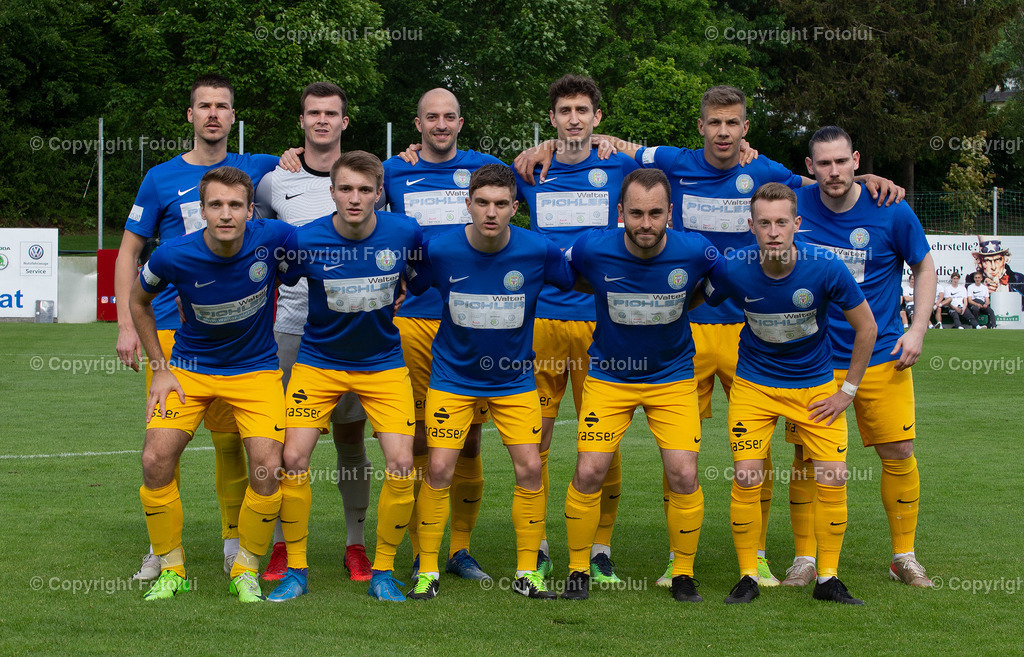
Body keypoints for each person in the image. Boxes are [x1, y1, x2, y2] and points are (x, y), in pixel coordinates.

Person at [517, 84, 902, 587]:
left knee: (751, 454)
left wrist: (862, 176)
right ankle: (656, 563)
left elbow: (817, 186)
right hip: (686, 334)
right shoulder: (671, 162)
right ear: (701, 127)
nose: (723, 132)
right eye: (714, 123)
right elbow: (616, 145)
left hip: (744, 332)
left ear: (746, 129)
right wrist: (550, 145)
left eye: (733, 123)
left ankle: (756, 555)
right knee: (673, 460)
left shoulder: (764, 174)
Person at [115, 74, 279, 581]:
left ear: (233, 117)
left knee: (234, 446)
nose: (212, 114)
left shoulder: (260, 168)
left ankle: (235, 543)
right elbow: (129, 251)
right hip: (168, 331)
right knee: (164, 443)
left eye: (222, 106)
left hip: (241, 344)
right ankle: (161, 551)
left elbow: (321, 172)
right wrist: (125, 321)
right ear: (190, 115)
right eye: (203, 106)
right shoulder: (161, 177)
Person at [404, 164, 575, 600]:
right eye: (482, 202)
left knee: (531, 468)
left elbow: (579, 280)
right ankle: (427, 570)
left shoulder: (538, 250)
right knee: (439, 468)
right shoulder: (440, 250)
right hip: (452, 376)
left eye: (501, 203)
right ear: (468, 204)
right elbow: (409, 284)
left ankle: (527, 572)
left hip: (514, 380)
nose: (491, 212)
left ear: (515, 208)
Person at [129, 166, 294, 602]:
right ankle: (171, 566)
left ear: (250, 210)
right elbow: (138, 299)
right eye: (216, 205)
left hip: (256, 371)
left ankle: (246, 567)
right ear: (201, 210)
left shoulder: (275, 237)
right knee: (154, 459)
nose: (226, 214)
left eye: (235, 205)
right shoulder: (170, 255)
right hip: (189, 369)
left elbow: (319, 256)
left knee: (266, 469)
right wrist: (160, 367)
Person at [706, 182, 876, 605]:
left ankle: (828, 578)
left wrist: (847, 392)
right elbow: (697, 298)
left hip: (814, 388)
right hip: (754, 387)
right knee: (747, 475)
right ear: (751, 226)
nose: (774, 231)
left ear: (797, 224)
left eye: (782, 222)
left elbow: (867, 328)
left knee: (833, 476)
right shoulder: (734, 267)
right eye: (764, 223)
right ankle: (748, 575)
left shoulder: (825, 266)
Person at [266, 151, 422, 602]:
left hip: (383, 364)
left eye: (364, 190)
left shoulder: (404, 232)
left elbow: (425, 275)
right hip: (317, 365)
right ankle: (296, 568)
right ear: (332, 192)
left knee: (402, 463)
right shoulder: (305, 239)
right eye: (346, 189)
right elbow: (270, 280)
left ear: (379, 194)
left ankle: (384, 571)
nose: (355, 198)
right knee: (292, 460)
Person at [785, 126, 937, 588]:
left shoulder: (891, 209)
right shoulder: (794, 204)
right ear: (810, 169)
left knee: (899, 452)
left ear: (856, 161)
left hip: (882, 356)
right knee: (807, 459)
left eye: (841, 162)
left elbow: (925, 265)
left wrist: (917, 329)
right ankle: (804, 559)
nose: (834, 171)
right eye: (823, 164)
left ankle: (904, 556)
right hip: (813, 361)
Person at [559, 169, 718, 603]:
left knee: (683, 474)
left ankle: (683, 573)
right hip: (610, 376)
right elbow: (568, 275)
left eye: (654, 213)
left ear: (671, 212)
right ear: (620, 213)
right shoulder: (593, 247)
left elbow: (711, 287)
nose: (645, 223)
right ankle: (577, 569)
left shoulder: (697, 251)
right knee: (589, 470)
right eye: (635, 213)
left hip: (672, 378)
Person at [512, 74, 640, 583]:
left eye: (582, 110)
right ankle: (538, 541)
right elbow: (479, 193)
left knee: (602, 443)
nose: (573, 119)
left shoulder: (621, 165)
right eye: (564, 110)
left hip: (601, 323)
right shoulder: (528, 169)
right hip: (541, 320)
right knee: (535, 438)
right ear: (552, 118)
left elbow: (687, 170)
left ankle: (601, 547)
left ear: (597, 118)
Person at [380, 89, 505, 581]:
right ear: (417, 123)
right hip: (413, 318)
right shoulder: (393, 171)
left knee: (469, 439)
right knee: (414, 442)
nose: (440, 124)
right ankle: (419, 549)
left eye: (448, 116)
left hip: (470, 322)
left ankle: (460, 549)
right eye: (431, 116)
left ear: (460, 121)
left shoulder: (486, 168)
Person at [253, 82, 373, 582]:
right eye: (313, 113)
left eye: (332, 113)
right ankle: (283, 546)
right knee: (287, 446)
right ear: (301, 121)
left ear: (345, 121)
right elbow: (254, 238)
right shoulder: (274, 182)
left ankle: (355, 544)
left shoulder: (365, 176)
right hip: (290, 331)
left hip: (351, 333)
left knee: (350, 438)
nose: (322, 120)